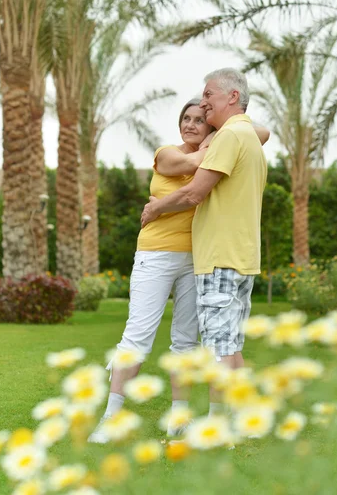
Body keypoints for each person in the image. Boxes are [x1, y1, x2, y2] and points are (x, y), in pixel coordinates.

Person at [89, 95, 268, 444]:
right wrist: (216, 138)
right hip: (155, 255)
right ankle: (110, 418)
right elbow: (194, 162)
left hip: (195, 258)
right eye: (186, 118)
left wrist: (222, 133)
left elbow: (262, 132)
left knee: (185, 343)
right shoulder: (166, 153)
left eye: (199, 119)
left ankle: (180, 420)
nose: (190, 124)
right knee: (136, 338)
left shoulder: (222, 144)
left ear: (211, 124)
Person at [141, 68, 268, 414]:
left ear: (232, 97)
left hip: (220, 257)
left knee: (217, 347)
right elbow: (262, 131)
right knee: (231, 344)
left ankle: (220, 424)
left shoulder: (229, 137)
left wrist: (157, 208)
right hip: (241, 256)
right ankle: (248, 416)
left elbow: (195, 193)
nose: (204, 100)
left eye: (209, 94)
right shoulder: (246, 136)